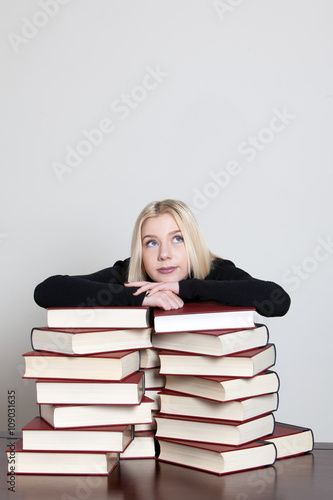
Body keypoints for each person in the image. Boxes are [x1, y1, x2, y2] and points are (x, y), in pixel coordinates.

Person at [34, 199, 290, 317]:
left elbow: (277, 300)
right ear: (141, 251)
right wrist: (139, 297)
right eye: (151, 243)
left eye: (177, 239)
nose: (164, 254)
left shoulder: (215, 271)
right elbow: (46, 291)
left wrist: (182, 288)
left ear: (193, 243)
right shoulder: (130, 275)